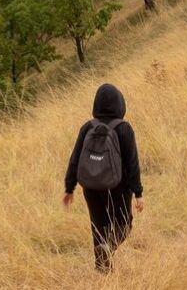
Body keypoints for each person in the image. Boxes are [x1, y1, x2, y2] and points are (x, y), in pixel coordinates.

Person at [64, 83, 144, 273]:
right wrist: (138, 193)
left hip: (90, 186)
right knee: (124, 224)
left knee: (98, 227)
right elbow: (132, 163)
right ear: (120, 104)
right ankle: (108, 248)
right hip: (117, 186)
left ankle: (101, 270)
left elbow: (75, 159)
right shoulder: (124, 128)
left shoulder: (87, 127)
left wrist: (69, 188)